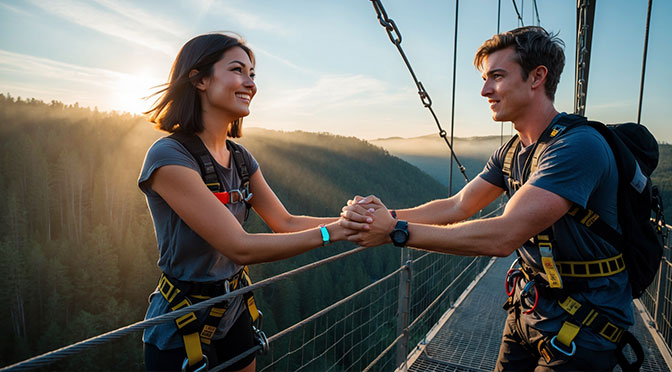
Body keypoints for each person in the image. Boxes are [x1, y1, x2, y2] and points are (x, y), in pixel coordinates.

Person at [340, 26, 633, 371]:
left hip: (585, 325)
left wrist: (396, 232)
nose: (484, 90)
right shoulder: (511, 152)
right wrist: (383, 215)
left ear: (537, 77)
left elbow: (503, 236)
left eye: (496, 76)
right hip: (529, 308)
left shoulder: (577, 147)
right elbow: (457, 206)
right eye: (484, 78)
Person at [139, 32, 351, 372]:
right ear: (200, 79)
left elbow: (286, 222)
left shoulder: (239, 158)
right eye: (238, 70)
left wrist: (352, 223)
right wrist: (334, 232)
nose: (250, 83)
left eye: (252, 74)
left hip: (233, 309)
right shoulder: (169, 157)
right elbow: (240, 247)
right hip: (180, 323)